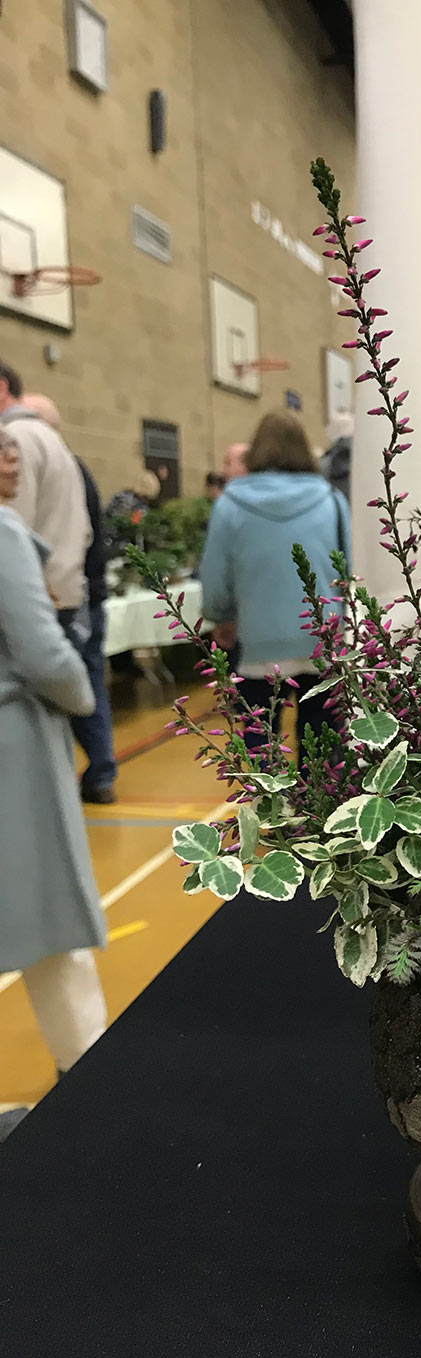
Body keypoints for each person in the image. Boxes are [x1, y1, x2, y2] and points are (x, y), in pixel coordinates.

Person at [0, 423, 107, 1125]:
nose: (13, 457)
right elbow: (43, 652)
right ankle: (94, 1098)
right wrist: (83, 694)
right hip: (12, 750)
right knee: (53, 928)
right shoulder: (2, 531)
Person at [198, 411, 351, 760]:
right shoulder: (332, 500)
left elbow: (215, 575)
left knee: (261, 749)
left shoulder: (229, 504)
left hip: (256, 646)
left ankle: (268, 796)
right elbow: (347, 571)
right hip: (322, 641)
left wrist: (221, 617)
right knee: (323, 754)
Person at [22, 394, 117, 805]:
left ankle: (92, 773)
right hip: (80, 594)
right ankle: (100, 772)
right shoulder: (75, 469)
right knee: (86, 680)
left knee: (71, 683)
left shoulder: (62, 470)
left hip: (71, 598)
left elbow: (86, 538)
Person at [0, 359, 90, 633]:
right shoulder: (52, 438)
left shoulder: (12, 437)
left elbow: (12, 530)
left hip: (33, 602)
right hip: (63, 591)